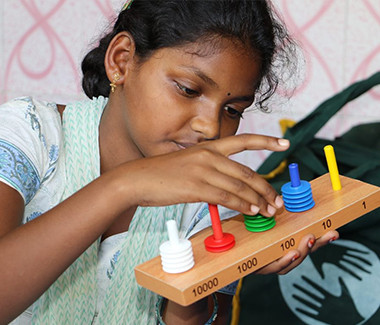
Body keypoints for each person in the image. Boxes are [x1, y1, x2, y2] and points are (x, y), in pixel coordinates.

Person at [0, 0, 338, 324]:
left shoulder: (215, 204)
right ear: (122, 61)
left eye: (233, 110)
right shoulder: (29, 134)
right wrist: (124, 186)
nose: (210, 126)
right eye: (189, 90)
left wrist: (207, 269)